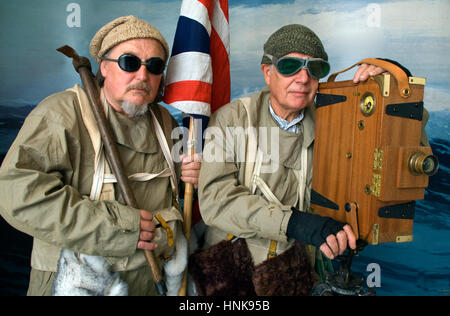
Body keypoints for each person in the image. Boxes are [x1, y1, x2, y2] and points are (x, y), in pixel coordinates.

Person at [0, 15, 200, 296]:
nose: (143, 76)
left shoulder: (163, 120)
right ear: (104, 67)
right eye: (129, 62)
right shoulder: (62, 114)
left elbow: (166, 186)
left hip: (152, 281)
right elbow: (17, 195)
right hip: (78, 282)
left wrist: (187, 174)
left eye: (154, 67)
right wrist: (119, 227)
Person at [194, 24, 399, 296]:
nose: (303, 78)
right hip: (229, 271)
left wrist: (395, 88)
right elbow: (215, 200)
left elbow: (391, 155)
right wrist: (295, 224)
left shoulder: (336, 123)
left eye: (315, 69)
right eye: (290, 66)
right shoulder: (230, 120)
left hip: (295, 274)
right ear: (267, 72)